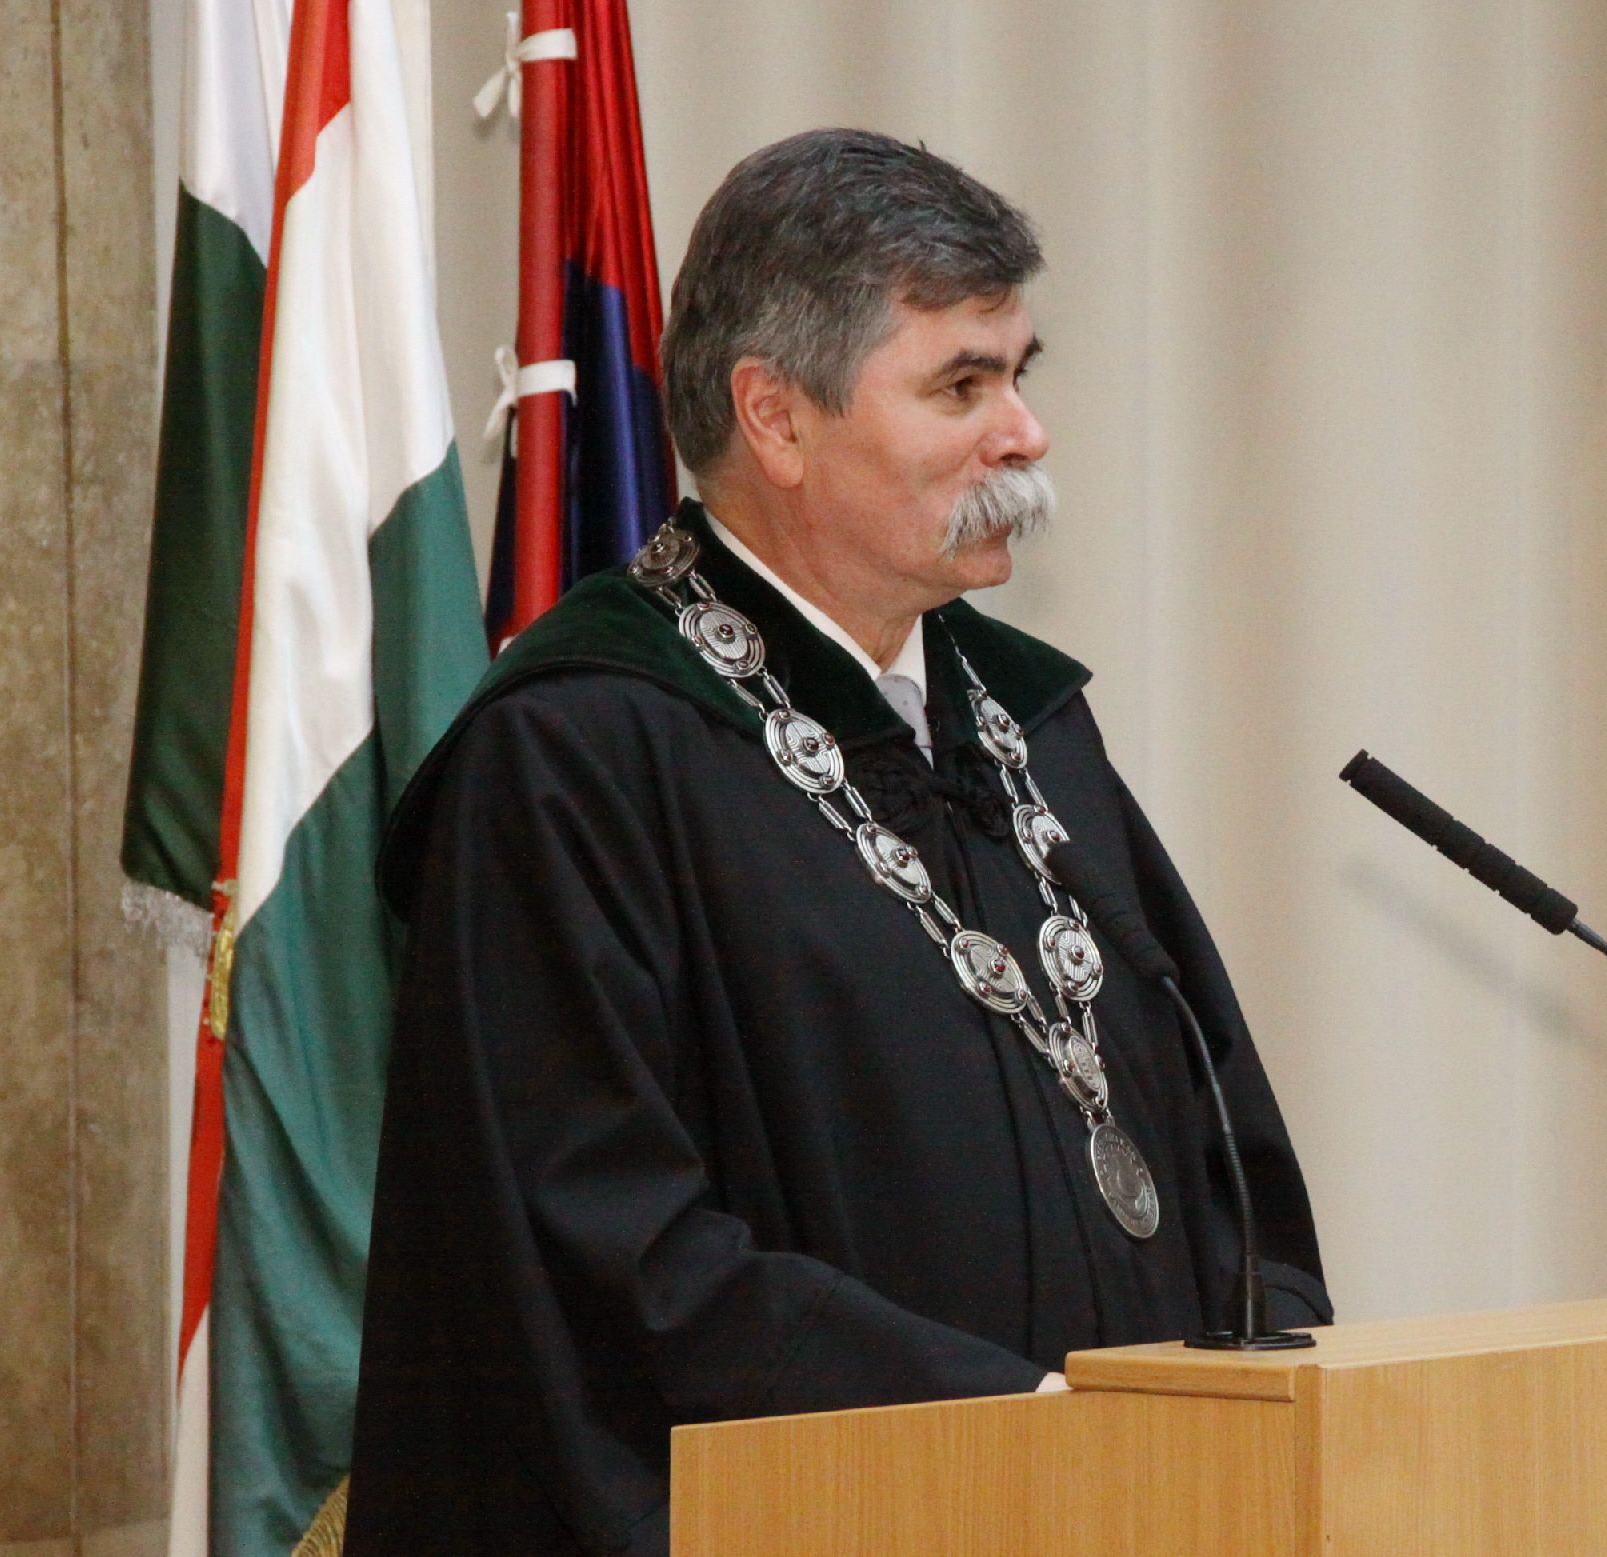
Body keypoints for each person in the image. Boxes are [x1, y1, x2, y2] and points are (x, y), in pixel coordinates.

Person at [344, 128, 1330, 1556]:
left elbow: (1215, 1122)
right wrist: (1024, 1423)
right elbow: (606, 1249)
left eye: (1020, 375)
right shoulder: (577, 755)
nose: (1025, 433)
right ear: (777, 418)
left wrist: (1265, 1379)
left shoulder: (1029, 724)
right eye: (962, 386)